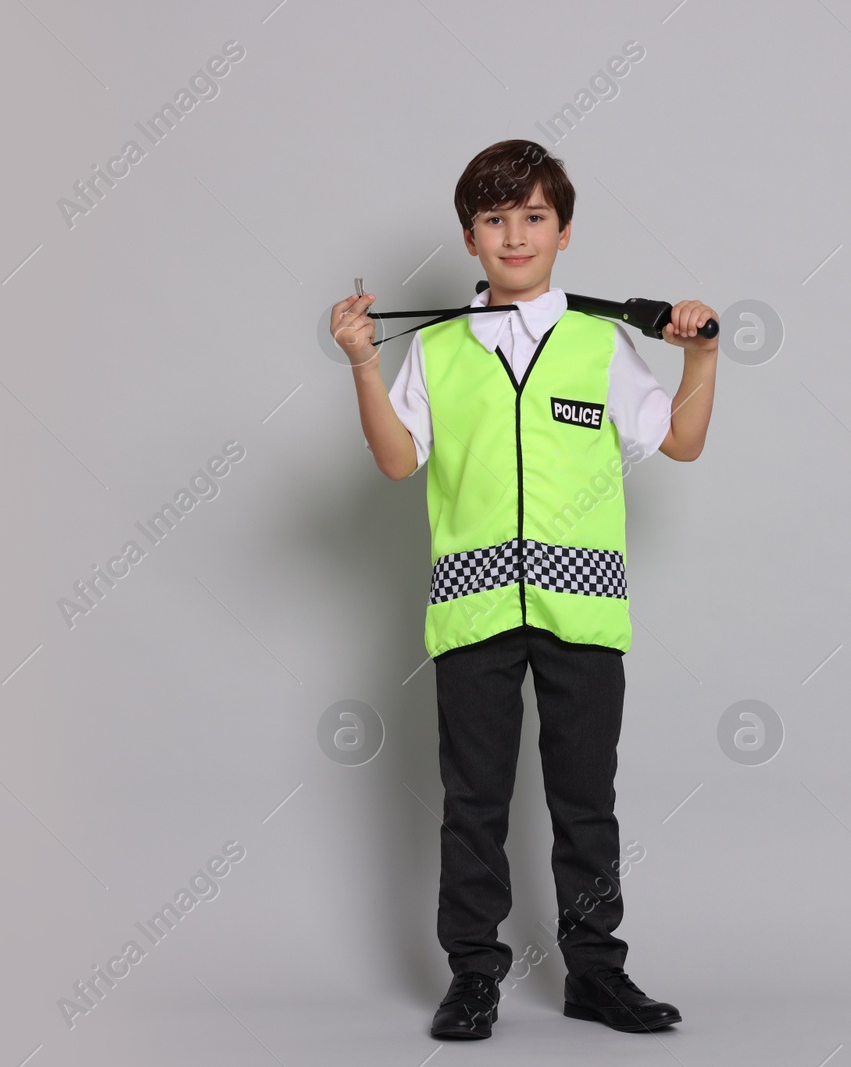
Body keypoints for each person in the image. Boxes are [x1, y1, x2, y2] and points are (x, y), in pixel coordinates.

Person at [333, 139, 718, 1040]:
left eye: (534, 216)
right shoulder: (436, 350)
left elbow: (682, 443)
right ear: (470, 239)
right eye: (495, 219)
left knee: (586, 794)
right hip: (471, 611)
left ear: (564, 231)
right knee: (475, 799)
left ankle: (595, 972)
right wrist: (360, 363)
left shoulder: (599, 343)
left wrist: (700, 358)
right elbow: (397, 462)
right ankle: (474, 974)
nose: (516, 234)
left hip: (582, 610)